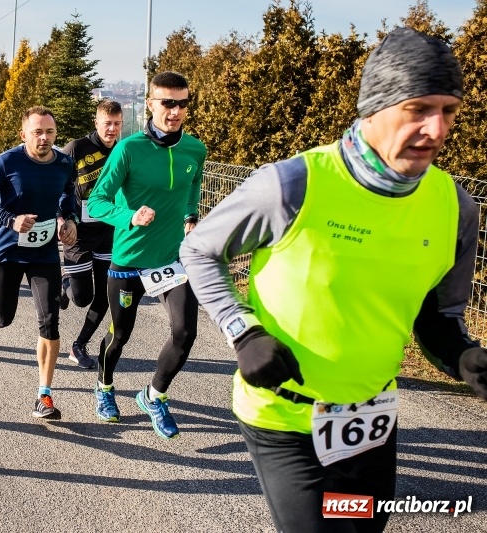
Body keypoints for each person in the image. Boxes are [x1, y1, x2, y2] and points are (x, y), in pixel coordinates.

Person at [180, 28, 487, 532]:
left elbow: (439, 317)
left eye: (449, 111)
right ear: (374, 108)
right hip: (283, 418)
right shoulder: (291, 185)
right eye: (418, 108)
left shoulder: (455, 206)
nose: (436, 128)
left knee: (361, 528)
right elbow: (198, 249)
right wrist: (244, 331)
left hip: (369, 422)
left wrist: (461, 356)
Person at [87, 72, 206, 440]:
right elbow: (96, 201)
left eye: (182, 103)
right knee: (120, 335)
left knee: (185, 332)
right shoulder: (129, 149)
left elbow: (192, 186)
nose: (175, 111)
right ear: (150, 103)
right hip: (128, 262)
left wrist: (190, 215)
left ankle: (154, 395)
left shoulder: (194, 149)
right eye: (167, 102)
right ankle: (105, 388)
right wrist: (130, 216)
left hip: (169, 260)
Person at [0, 106, 78, 420]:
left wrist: (68, 218)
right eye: (37, 132)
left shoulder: (64, 163)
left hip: (44, 252)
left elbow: (66, 195)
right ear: (24, 135)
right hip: (7, 250)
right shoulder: (8, 161)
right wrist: (10, 219)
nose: (44, 138)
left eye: (49, 132)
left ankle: (44, 395)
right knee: (5, 315)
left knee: (49, 320)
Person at [58, 100, 123, 369]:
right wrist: (64, 217)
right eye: (107, 123)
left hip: (109, 233)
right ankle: (65, 282)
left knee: (107, 295)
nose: (112, 129)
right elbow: (58, 187)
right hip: (79, 233)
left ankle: (79, 345)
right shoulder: (76, 148)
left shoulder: (123, 150)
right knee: (81, 298)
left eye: (117, 124)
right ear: (96, 122)